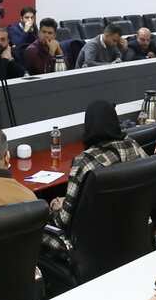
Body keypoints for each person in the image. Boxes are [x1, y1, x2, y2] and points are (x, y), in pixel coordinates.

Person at [43, 101, 146, 255]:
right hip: (130, 231)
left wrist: (55, 210)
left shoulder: (85, 161)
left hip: (91, 242)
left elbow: (63, 220)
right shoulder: (133, 146)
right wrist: (73, 201)